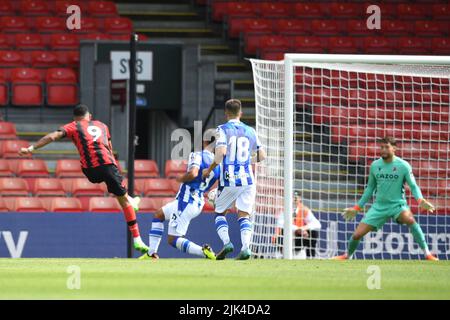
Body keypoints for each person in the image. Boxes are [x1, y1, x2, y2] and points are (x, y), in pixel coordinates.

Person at [18, 104, 149, 254]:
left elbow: (52, 136)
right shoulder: (102, 126)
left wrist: (31, 149)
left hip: (90, 170)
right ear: (90, 116)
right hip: (108, 165)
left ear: (75, 118)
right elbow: (110, 149)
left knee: (119, 192)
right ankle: (137, 238)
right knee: (124, 200)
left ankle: (130, 199)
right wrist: (114, 170)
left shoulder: (73, 126)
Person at [334, 136, 438, 260]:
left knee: (410, 220)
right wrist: (357, 208)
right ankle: (348, 255)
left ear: (394, 148)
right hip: (379, 206)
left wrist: (420, 200)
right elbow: (369, 189)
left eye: (386, 147)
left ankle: (427, 254)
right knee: (357, 235)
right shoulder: (375, 165)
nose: (383, 150)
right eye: (381, 147)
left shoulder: (403, 166)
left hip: (398, 205)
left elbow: (413, 186)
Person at [139, 129, 220, 260]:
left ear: (205, 140)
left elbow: (193, 173)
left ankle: (203, 251)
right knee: (158, 215)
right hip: (196, 201)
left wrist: (180, 178)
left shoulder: (197, 155)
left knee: (173, 239)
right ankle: (151, 253)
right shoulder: (218, 165)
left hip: (186, 201)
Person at [202, 99, 266, 260]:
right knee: (244, 215)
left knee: (219, 213)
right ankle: (245, 248)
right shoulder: (250, 130)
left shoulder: (222, 129)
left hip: (230, 179)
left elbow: (221, 152)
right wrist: (245, 161)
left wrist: (208, 170)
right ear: (241, 113)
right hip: (248, 180)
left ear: (226, 113)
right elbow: (262, 155)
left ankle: (227, 243)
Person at [274, 192, 321, 258]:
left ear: (300, 199)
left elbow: (317, 224)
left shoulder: (303, 210)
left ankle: (310, 258)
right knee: (283, 230)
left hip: (298, 238)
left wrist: (304, 228)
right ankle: (281, 255)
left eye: (296, 197)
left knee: (313, 233)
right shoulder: (283, 209)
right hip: (285, 238)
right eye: (293, 197)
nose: (294, 199)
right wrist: (296, 229)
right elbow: (281, 224)